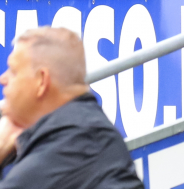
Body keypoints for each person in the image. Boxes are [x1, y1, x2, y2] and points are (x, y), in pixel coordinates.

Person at [0, 27, 142, 188]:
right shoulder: (76, 132)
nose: (3, 79)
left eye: (13, 71)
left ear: (41, 81)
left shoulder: (79, 142)